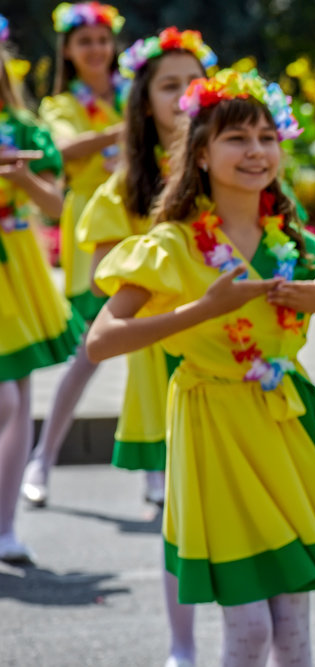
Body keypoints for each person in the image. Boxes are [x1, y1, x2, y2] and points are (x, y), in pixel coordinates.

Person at [85, 68, 315, 666]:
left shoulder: (299, 246)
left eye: (267, 137)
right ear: (199, 152)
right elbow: (102, 341)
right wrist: (203, 309)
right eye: (236, 138)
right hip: (213, 431)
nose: (256, 151)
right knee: (247, 630)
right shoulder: (173, 245)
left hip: (285, 430)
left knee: (293, 627)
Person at [73, 28, 216, 667]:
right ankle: (182, 644)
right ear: (144, 100)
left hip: (237, 359)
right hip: (166, 356)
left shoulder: (232, 168)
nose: (184, 93)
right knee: (177, 511)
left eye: (194, 80)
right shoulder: (127, 184)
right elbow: (108, 274)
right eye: (168, 84)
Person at [22, 1, 127, 506]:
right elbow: (59, 152)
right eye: (84, 41)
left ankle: (156, 473)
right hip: (95, 225)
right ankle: (43, 456)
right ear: (67, 49)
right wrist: (127, 131)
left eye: (102, 40)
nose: (96, 49)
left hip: (148, 219)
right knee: (90, 349)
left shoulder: (135, 94)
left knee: (161, 351)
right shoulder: (60, 105)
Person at [0, 13, 85, 564]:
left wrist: (22, 178)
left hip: (16, 269)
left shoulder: (24, 128)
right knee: (6, 400)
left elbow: (61, 208)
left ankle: (4, 526)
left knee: (17, 397)